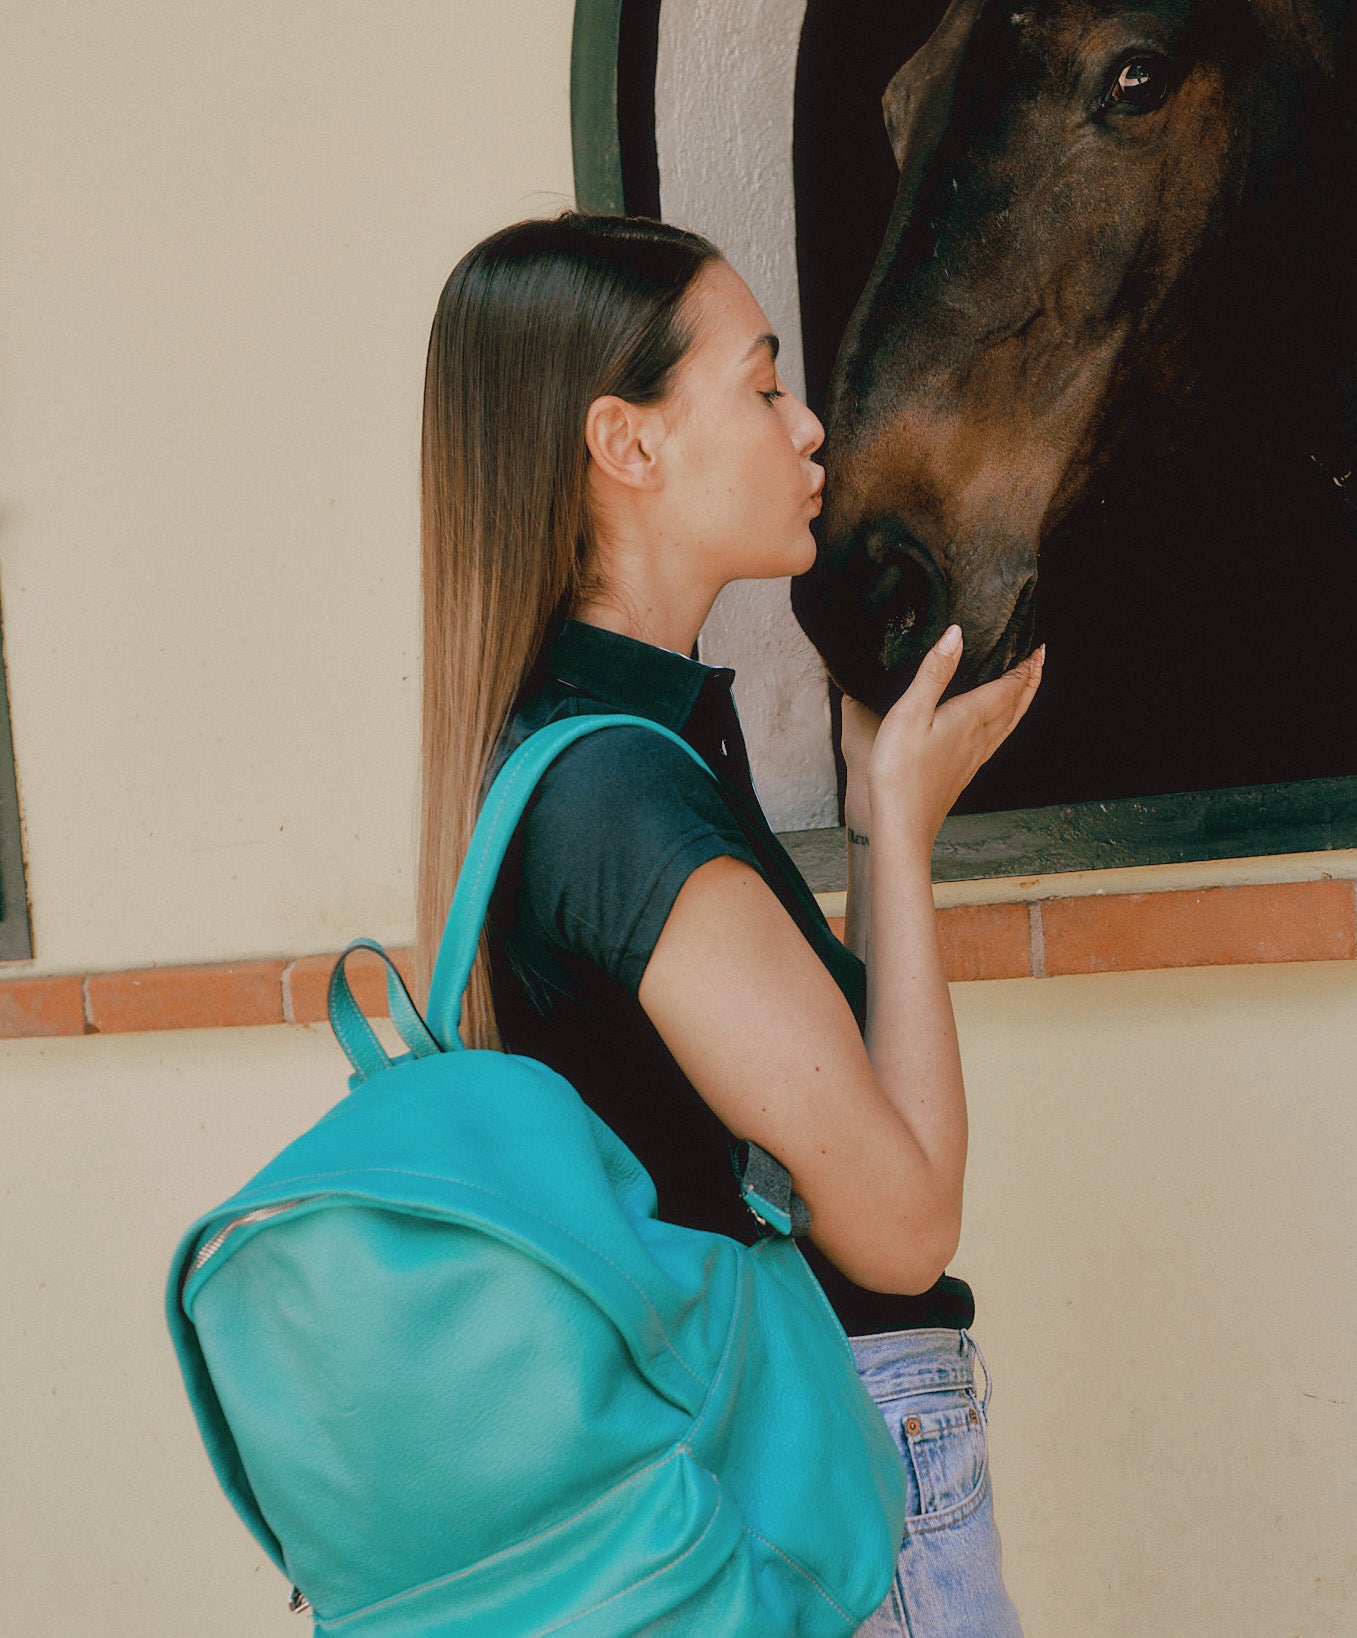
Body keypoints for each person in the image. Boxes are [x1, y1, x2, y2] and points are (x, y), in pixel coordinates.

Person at [416, 211, 1043, 1636]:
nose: (809, 426)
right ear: (626, 446)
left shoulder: (574, 757)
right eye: (762, 385)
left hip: (738, 1474)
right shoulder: (624, 794)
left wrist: (889, 816)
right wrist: (899, 835)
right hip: (831, 1479)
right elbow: (899, 1223)